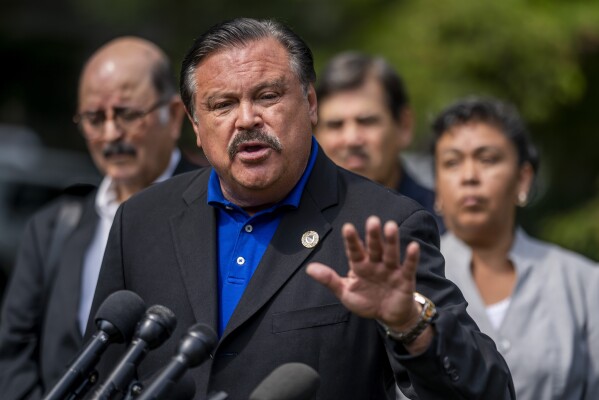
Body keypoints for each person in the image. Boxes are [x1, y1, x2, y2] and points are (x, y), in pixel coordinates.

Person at [86, 18, 514, 399]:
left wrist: (410, 325)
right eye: (223, 105)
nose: (247, 118)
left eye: (268, 96)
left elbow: (487, 389)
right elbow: (103, 379)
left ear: (310, 104)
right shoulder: (141, 221)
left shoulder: (382, 226)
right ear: (197, 127)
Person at [0, 37, 199, 399]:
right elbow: (14, 353)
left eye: (126, 114)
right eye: (95, 117)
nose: (111, 134)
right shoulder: (53, 227)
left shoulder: (217, 210)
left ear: (173, 116)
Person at [431, 96, 599, 399]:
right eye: (452, 162)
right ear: (437, 186)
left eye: (488, 159)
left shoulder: (584, 283)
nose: (469, 176)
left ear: (523, 179)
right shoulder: (409, 277)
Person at [315, 52, 444, 232]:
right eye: (335, 125)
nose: (351, 139)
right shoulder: (292, 224)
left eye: (367, 121)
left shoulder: (446, 225)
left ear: (404, 126)